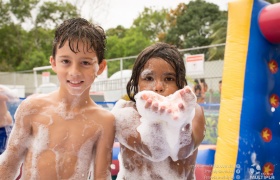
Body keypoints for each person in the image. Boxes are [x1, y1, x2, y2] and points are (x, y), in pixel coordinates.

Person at [0, 18, 115, 180]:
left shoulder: (104, 120)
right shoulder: (33, 107)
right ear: (53, 63)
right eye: (66, 61)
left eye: (85, 63)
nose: (74, 71)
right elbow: (8, 164)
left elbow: (101, 177)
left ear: (101, 67)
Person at [111, 42, 206, 179]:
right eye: (149, 78)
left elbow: (183, 151)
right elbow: (153, 150)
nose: (158, 87)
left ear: (180, 83)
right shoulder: (125, 113)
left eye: (169, 79)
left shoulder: (193, 112)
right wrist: (155, 118)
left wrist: (181, 120)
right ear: (136, 83)